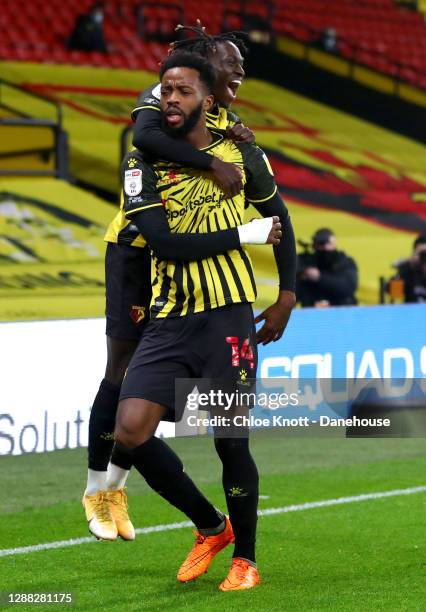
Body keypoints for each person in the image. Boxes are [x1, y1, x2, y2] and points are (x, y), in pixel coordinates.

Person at [82, 25, 292, 543]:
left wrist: (287, 291)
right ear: (201, 67)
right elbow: (145, 138)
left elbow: (277, 213)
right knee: (120, 373)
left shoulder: (232, 127)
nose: (240, 71)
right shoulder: (163, 99)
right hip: (136, 250)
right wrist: (210, 163)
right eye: (231, 61)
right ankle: (99, 489)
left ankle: (189, 517)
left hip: (211, 294)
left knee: (215, 428)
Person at [296, 228, 357, 307]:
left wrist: (319, 277)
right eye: (322, 244)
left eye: (328, 243)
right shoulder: (307, 261)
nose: (325, 247)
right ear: (315, 245)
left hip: (341, 309)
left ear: (334, 243)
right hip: (312, 311)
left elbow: (348, 287)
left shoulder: (344, 262)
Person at [392, 234, 426, 303]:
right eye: (422, 254)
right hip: (411, 311)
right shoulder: (408, 269)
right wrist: (408, 264)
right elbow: (392, 292)